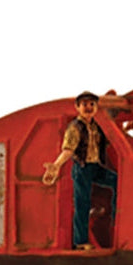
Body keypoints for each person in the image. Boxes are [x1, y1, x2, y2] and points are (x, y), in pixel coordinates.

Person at [42, 91, 117, 250]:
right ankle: (80, 241)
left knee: (117, 181)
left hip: (96, 166)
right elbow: (68, 150)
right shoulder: (75, 127)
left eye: (92, 104)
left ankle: (116, 220)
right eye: (84, 104)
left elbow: (109, 140)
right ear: (77, 107)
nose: (88, 107)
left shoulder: (97, 126)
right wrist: (56, 165)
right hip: (82, 168)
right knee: (82, 203)